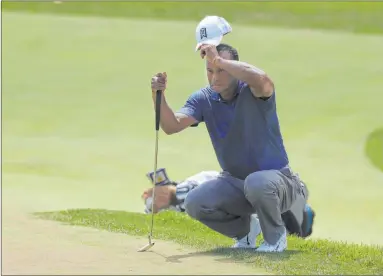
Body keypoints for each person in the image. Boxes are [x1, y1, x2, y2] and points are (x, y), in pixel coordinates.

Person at [150, 40, 308, 252]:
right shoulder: (204, 98)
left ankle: (275, 239)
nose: (215, 76)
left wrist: (219, 59)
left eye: (222, 69)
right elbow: (171, 125)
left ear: (235, 69)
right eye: (210, 69)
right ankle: (246, 234)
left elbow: (263, 79)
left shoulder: (254, 90)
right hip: (237, 185)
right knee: (194, 201)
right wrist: (157, 95)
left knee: (257, 181)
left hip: (282, 185)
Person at [141, 168, 315, 240]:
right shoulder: (171, 206)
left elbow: (198, 196)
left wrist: (171, 194)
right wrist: (158, 203)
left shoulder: (196, 182)